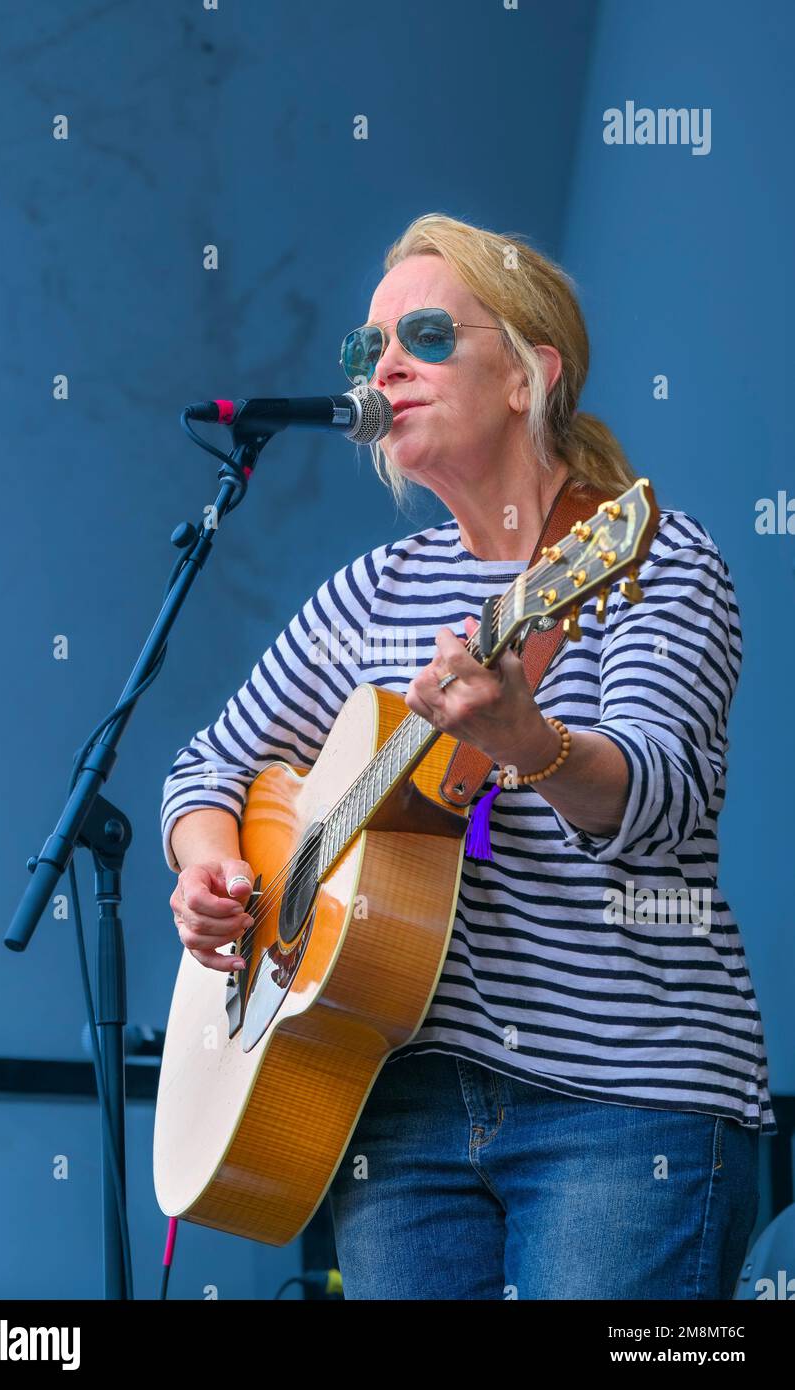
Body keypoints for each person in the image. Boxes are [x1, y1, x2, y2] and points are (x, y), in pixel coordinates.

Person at [160, 213, 776, 1300]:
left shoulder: (642, 557)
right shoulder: (369, 593)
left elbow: (660, 804)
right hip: (395, 1112)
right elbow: (206, 769)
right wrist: (212, 868)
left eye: (428, 334)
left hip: (620, 1104)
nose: (382, 365)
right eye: (365, 348)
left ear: (527, 375)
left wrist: (522, 740)